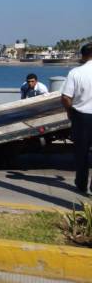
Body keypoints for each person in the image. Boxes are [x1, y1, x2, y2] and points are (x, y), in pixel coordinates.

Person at [61, 43, 92, 195]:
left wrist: (69, 112)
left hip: (82, 116)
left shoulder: (76, 72)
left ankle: (81, 184)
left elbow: (66, 97)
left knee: (82, 152)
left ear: (83, 55)